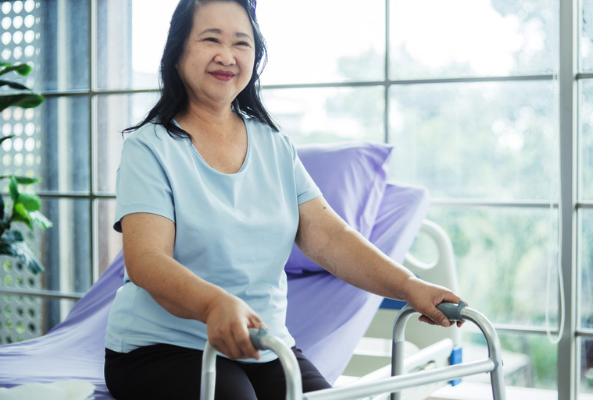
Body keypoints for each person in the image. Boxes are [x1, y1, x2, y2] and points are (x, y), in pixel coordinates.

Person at [103, 0, 466, 399]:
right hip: (161, 349)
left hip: (263, 342)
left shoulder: (274, 145)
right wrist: (213, 305)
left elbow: (328, 237)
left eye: (242, 43)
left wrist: (408, 285)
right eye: (210, 39)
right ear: (177, 53)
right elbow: (147, 261)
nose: (227, 56)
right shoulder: (149, 148)